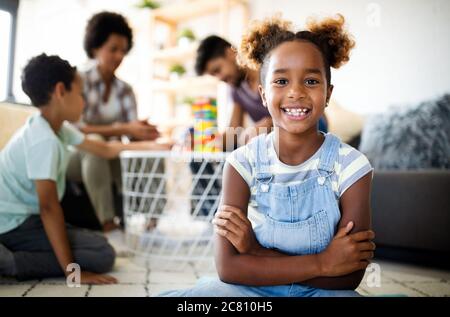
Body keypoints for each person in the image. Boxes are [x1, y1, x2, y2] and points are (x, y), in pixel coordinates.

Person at [160, 14, 375, 297]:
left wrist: (254, 253)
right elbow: (228, 268)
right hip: (250, 291)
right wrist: (323, 263)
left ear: (328, 93)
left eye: (311, 81)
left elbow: (348, 275)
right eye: (281, 81)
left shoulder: (352, 166)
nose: (296, 92)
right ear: (263, 95)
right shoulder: (240, 163)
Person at [0, 54, 170, 283]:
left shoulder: (56, 128)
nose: (85, 101)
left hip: (25, 219)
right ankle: (9, 262)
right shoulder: (43, 140)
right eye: (80, 94)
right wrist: (73, 272)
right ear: (61, 91)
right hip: (12, 224)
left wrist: (154, 146)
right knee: (101, 254)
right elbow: (49, 208)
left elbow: (103, 149)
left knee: (95, 244)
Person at [67, 12, 160, 231]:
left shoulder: (125, 90)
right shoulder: (79, 80)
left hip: (111, 154)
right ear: (95, 48)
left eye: (123, 51)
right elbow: (76, 130)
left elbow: (131, 133)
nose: (119, 56)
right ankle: (107, 222)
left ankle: (152, 218)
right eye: (113, 49)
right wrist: (122, 128)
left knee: (148, 149)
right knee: (95, 142)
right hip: (78, 155)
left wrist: (142, 131)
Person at [195, 35, 327, 149]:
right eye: (214, 75)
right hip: (271, 138)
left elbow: (300, 102)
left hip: (309, 123)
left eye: (217, 70)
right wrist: (205, 142)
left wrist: (269, 123)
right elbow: (233, 133)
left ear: (230, 53)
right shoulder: (236, 88)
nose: (220, 78)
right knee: (204, 158)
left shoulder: (272, 69)